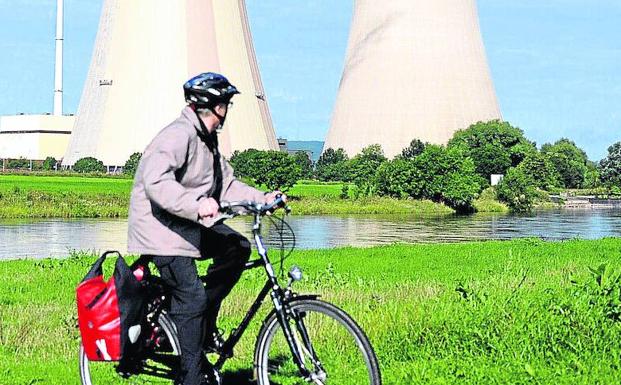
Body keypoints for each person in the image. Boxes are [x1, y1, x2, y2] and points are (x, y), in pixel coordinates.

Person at [127, 72, 283, 385]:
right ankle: (191, 375)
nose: (228, 109)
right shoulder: (178, 135)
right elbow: (155, 181)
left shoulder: (206, 140)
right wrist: (195, 204)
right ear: (211, 106)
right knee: (191, 298)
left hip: (185, 224)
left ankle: (201, 323)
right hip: (160, 230)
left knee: (236, 248)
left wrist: (262, 199)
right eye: (225, 103)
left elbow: (226, 185)